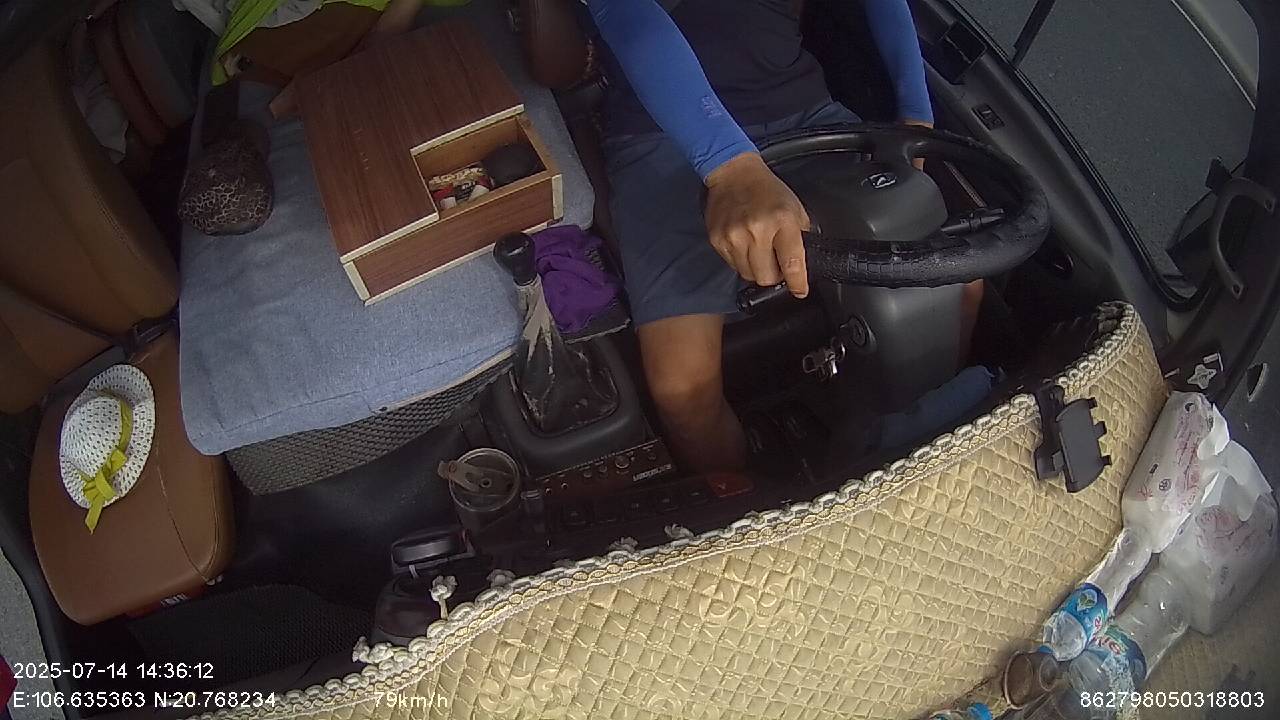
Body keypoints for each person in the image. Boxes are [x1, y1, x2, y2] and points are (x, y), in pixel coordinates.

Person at [587, 0, 934, 473]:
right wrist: (730, 167)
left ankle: (923, 451)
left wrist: (917, 115)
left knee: (952, 280)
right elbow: (627, 13)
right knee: (681, 391)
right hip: (658, 133)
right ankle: (752, 501)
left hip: (803, 109)